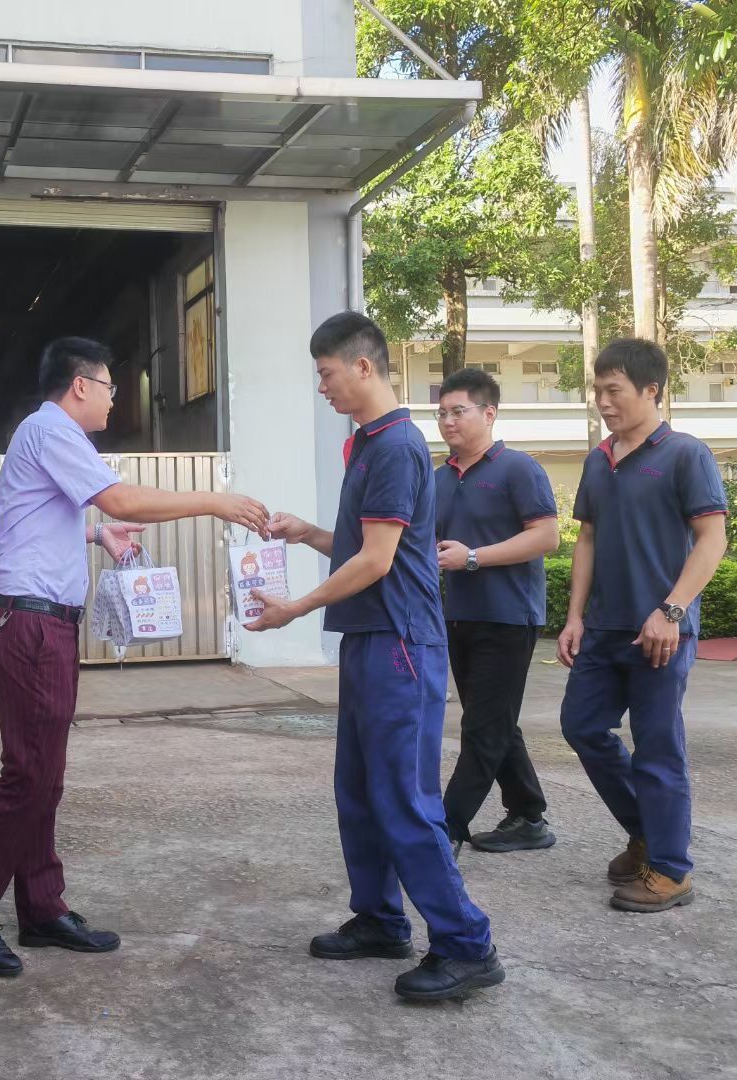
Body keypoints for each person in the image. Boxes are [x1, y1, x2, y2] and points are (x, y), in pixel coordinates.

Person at [0, 336, 270, 977]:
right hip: (30, 627)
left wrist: (96, 533)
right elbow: (121, 497)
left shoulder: (49, 437)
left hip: (45, 625)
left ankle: (41, 908)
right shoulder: (52, 430)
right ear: (81, 386)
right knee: (27, 777)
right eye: (110, 387)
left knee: (45, 776)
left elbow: (39, 517)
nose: (114, 401)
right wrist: (214, 500)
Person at [248, 312, 503, 1001]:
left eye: (327, 373)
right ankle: (381, 919)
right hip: (369, 639)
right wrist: (306, 532)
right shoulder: (366, 442)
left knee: (404, 799)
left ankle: (466, 944)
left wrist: (295, 608)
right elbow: (367, 546)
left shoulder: (394, 446)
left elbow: (378, 561)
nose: (322, 387)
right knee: (359, 792)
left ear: (363, 366)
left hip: (401, 647)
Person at [557, 338, 727, 913]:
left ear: (651, 390)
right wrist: (575, 616)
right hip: (605, 628)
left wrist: (671, 610)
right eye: (597, 391)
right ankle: (648, 833)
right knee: (582, 727)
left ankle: (671, 870)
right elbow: (588, 539)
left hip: (662, 631)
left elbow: (712, 539)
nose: (603, 402)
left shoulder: (685, 454)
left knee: (657, 747)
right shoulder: (597, 460)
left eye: (614, 391)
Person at [432, 369, 560, 856]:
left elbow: (546, 536)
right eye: (441, 413)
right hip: (458, 617)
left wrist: (473, 557)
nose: (448, 421)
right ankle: (528, 815)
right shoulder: (440, 478)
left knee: (483, 727)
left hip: (508, 617)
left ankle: (445, 830)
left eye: (458, 411)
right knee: (494, 719)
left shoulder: (518, 468)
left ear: (489, 413)